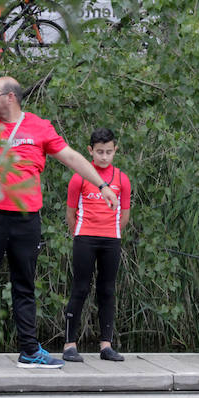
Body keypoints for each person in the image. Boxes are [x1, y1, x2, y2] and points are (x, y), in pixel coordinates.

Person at [0, 76, 119, 370]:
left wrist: (102, 186)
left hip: (27, 220)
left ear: (10, 97)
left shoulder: (39, 127)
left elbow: (71, 157)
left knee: (24, 284)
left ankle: (29, 350)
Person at [62, 128, 131, 363]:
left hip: (111, 238)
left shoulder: (122, 178)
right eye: (99, 152)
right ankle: (70, 344)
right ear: (90, 151)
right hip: (85, 238)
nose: (104, 157)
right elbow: (70, 214)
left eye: (108, 152)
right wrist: (81, 234)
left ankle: (106, 345)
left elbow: (124, 214)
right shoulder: (79, 177)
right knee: (80, 288)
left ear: (115, 151)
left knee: (107, 290)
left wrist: (112, 232)